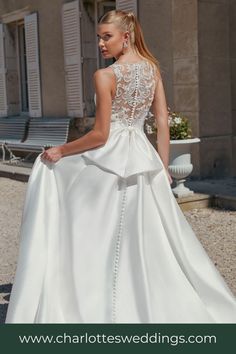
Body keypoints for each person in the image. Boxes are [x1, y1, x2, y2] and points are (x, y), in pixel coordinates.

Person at [5, 10, 236, 323]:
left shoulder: (105, 75)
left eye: (106, 36)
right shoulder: (152, 70)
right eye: (99, 37)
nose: (100, 43)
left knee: (90, 227)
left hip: (111, 157)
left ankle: (90, 297)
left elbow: (100, 135)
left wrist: (61, 149)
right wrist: (163, 164)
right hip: (143, 158)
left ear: (125, 37)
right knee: (145, 235)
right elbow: (163, 123)